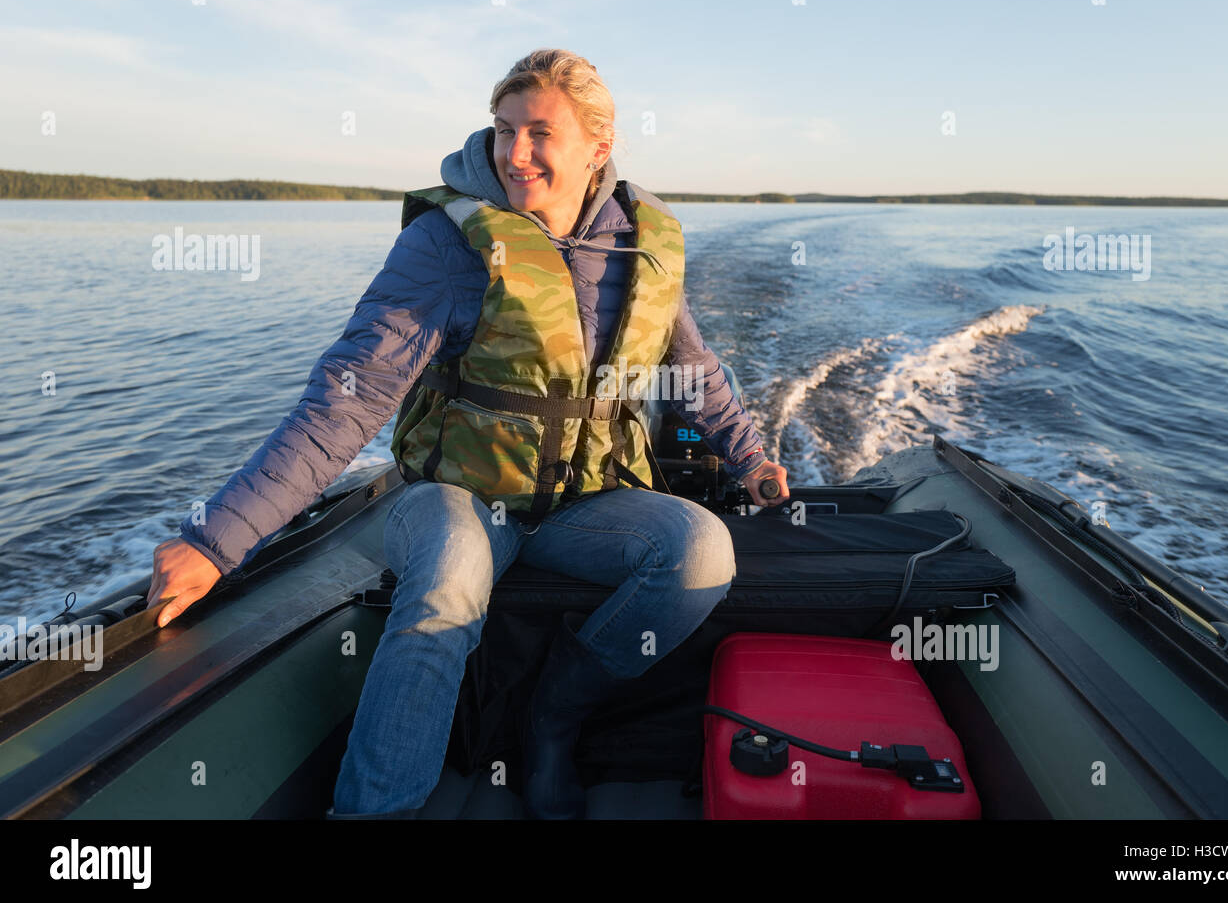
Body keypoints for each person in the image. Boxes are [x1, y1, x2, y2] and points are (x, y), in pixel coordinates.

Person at [145, 48, 789, 819]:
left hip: (587, 505)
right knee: (452, 568)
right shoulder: (449, 245)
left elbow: (696, 368)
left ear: (599, 144)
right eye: (502, 129)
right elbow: (345, 402)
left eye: (539, 132)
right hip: (458, 498)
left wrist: (749, 457)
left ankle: (556, 714)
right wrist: (218, 540)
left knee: (700, 551)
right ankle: (376, 810)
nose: (513, 153)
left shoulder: (639, 244)